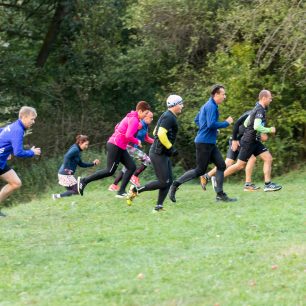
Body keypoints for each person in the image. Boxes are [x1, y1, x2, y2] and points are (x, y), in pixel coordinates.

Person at [168, 84, 237, 203]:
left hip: (209, 142)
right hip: (204, 143)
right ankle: (175, 184)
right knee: (200, 170)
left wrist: (208, 129)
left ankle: (220, 195)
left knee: (221, 165)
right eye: (223, 94)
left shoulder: (209, 105)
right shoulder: (211, 106)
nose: (224, 97)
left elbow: (197, 120)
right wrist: (226, 123)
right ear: (216, 94)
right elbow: (210, 124)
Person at [77, 101, 151, 197]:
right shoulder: (134, 119)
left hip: (119, 146)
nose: (145, 116)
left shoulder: (131, 116)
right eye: (145, 114)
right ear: (140, 111)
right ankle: (84, 181)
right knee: (109, 171)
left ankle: (121, 192)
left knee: (131, 167)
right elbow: (128, 135)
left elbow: (118, 126)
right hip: (116, 145)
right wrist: (137, 141)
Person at [126, 94, 183, 211]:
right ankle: (135, 190)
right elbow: (161, 133)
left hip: (162, 152)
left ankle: (159, 207)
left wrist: (166, 148)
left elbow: (155, 132)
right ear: (175, 105)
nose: (182, 106)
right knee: (163, 182)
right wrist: (170, 147)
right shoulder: (169, 117)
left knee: (168, 181)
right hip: (158, 153)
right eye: (181, 103)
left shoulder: (167, 116)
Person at [221, 90, 282, 192]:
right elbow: (256, 126)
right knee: (240, 165)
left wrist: (254, 132)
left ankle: (268, 184)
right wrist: (269, 129)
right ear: (264, 98)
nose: (271, 100)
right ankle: (219, 177)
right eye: (270, 98)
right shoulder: (260, 110)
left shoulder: (258, 109)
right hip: (249, 141)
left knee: (268, 158)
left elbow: (246, 123)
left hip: (254, 140)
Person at [200, 107, 266, 192]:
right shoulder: (252, 114)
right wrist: (235, 140)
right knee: (252, 158)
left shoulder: (258, 116)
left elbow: (259, 134)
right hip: (238, 140)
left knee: (228, 163)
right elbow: (238, 126)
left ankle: (206, 176)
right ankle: (247, 184)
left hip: (236, 139)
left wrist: (262, 135)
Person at [0, 106, 41, 217]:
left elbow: (2, 133)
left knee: (16, 183)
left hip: (1, 162)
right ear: (23, 117)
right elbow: (18, 152)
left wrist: (6, 151)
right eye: (32, 119)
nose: (33, 121)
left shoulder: (15, 126)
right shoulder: (18, 129)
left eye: (34, 119)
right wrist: (32, 152)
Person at [108, 111, 154, 191]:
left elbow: (146, 138)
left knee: (126, 168)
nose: (152, 119)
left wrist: (157, 142)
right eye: (151, 117)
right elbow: (127, 132)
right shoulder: (140, 124)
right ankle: (134, 176)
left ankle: (114, 185)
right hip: (129, 146)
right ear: (145, 117)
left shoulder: (145, 126)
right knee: (147, 160)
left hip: (132, 147)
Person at [52, 135, 100, 200]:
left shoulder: (77, 150)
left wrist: (93, 164)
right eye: (85, 144)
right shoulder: (75, 149)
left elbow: (81, 164)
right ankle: (56, 196)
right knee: (76, 191)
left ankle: (57, 197)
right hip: (65, 174)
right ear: (80, 142)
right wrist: (66, 169)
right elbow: (66, 156)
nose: (86, 147)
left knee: (73, 192)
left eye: (87, 145)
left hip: (64, 174)